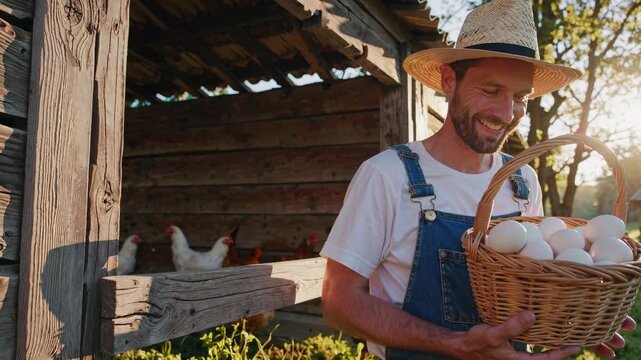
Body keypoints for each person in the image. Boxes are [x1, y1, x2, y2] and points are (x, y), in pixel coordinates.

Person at [319, 0, 635, 359]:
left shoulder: (522, 182)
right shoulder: (387, 176)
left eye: (520, 97)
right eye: (490, 90)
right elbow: (338, 301)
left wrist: (575, 318)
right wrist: (454, 344)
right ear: (449, 81)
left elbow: (533, 287)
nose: (506, 112)